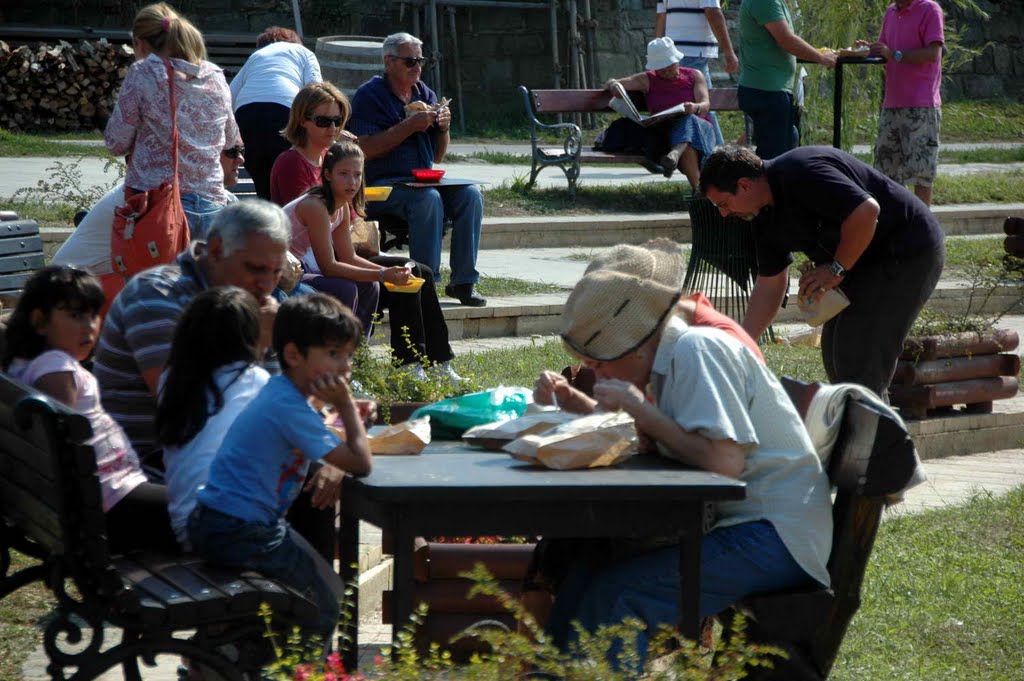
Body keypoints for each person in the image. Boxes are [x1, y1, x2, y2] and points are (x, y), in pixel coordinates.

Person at [541, 241, 832, 666]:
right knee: (588, 571)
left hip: (772, 534)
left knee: (622, 594)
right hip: (744, 527)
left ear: (636, 345)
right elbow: (662, 445)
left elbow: (725, 463)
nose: (596, 372)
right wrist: (618, 411)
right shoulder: (669, 361)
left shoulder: (699, 351)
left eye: (600, 363)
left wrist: (641, 411)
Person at [189, 293, 372, 643]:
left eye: (349, 356)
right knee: (323, 608)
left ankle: (225, 655)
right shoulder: (288, 407)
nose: (345, 368)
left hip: (222, 521)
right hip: (242, 529)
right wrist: (347, 406)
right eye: (333, 354)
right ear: (293, 354)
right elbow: (361, 463)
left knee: (330, 589)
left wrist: (338, 407)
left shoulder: (283, 393)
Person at [699, 144, 945, 397]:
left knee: (858, 359)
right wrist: (742, 341)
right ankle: (860, 430)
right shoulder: (762, 216)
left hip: (906, 251)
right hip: (861, 263)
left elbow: (867, 211)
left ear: (744, 185)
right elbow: (770, 284)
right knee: (836, 357)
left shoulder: (802, 170)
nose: (724, 214)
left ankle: (872, 433)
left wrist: (837, 268)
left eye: (724, 203)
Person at [93, 199, 288, 465]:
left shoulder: (249, 301)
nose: (267, 285)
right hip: (151, 465)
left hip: (213, 454)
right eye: (256, 269)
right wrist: (258, 345)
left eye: (277, 273)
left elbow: (272, 399)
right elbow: (182, 414)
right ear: (217, 250)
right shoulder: (157, 297)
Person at [2, 266, 177, 554]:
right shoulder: (56, 370)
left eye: (93, 315)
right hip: (110, 507)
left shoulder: (24, 364)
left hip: (104, 501)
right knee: (216, 510)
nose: (90, 326)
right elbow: (60, 446)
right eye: (75, 315)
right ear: (40, 321)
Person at [285, 141, 461, 382]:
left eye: (357, 175)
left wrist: (388, 272)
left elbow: (350, 257)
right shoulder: (316, 206)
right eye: (344, 174)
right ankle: (346, 365)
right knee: (350, 286)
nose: (352, 182)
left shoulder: (342, 206)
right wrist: (382, 275)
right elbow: (329, 266)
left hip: (303, 269)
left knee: (412, 275)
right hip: (286, 273)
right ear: (327, 175)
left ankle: (381, 360)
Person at [348, 32, 486, 308]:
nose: (417, 66)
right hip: (383, 185)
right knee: (428, 200)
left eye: (421, 60)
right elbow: (363, 149)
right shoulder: (370, 95)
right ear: (389, 61)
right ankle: (427, 284)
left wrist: (443, 127)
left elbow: (438, 154)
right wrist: (407, 126)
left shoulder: (425, 92)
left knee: (471, 195)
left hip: (421, 180)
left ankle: (463, 282)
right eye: (410, 60)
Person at [53, 145, 246, 313]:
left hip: (102, 284)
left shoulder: (214, 199)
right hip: (74, 291)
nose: (241, 159)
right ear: (204, 153)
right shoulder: (151, 198)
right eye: (232, 152)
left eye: (241, 151)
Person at [105, 2, 239, 238]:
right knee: (204, 276)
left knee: (153, 276)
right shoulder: (215, 76)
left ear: (141, 43)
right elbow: (230, 139)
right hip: (211, 204)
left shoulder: (144, 73)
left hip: (156, 208)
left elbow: (116, 143)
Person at [155, 287, 270, 549]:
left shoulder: (172, 378)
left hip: (184, 524)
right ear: (248, 337)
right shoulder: (252, 379)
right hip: (226, 528)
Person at [857, 0, 945, 206]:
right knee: (886, 171)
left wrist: (895, 54)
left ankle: (922, 228)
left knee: (921, 171)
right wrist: (869, 49)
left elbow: (933, 53)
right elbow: (885, 51)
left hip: (921, 105)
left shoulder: (929, 9)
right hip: (892, 104)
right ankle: (894, 226)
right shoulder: (890, 11)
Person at [605, 38, 717, 188]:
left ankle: (676, 155)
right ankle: (699, 191)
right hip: (667, 133)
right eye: (661, 69)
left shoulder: (694, 75)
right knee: (686, 141)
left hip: (701, 129)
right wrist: (614, 86)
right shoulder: (648, 79)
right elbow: (613, 82)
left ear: (677, 61)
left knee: (688, 120)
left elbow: (705, 104)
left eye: (669, 67)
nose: (665, 72)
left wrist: (695, 107)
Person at [230, 27, 322, 201]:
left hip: (247, 116)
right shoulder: (304, 52)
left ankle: (268, 221)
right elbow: (316, 93)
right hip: (285, 111)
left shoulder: (256, 56)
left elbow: (229, 95)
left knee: (264, 189)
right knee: (292, 185)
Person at [737, 0, 835, 159]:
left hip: (771, 88)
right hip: (767, 90)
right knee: (774, 156)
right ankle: (769, 183)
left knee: (788, 141)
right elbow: (787, 40)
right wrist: (821, 58)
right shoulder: (766, 2)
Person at [654, 0, 739, 146]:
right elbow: (713, 12)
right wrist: (729, 52)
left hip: (673, 51)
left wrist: (658, 53)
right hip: (693, 52)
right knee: (703, 105)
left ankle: (712, 152)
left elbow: (661, 15)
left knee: (695, 106)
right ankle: (716, 153)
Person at [270, 82, 355, 206]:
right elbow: (306, 219)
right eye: (323, 121)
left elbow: (351, 213)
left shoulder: (331, 157)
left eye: (337, 121)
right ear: (302, 121)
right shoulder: (291, 162)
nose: (333, 128)